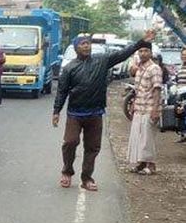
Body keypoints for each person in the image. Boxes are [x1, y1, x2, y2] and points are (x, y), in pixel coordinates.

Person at [53, 32, 153, 191]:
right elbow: (62, 91)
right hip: (75, 114)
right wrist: (56, 111)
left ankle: (86, 178)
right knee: (70, 142)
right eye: (82, 44)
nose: (86, 46)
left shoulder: (101, 60)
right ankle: (67, 171)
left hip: (95, 113)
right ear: (76, 47)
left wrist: (140, 42)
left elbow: (122, 54)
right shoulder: (69, 68)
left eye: (88, 43)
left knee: (92, 148)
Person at [127, 43, 163, 175]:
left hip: (149, 108)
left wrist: (155, 110)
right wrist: (133, 105)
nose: (143, 53)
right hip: (139, 107)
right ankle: (141, 164)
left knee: (148, 139)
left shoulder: (155, 68)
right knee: (138, 137)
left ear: (150, 53)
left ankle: (151, 165)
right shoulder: (140, 68)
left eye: (145, 51)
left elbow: (157, 89)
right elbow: (137, 89)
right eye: (140, 51)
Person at [175, 48, 186, 142]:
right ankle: (182, 135)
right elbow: (177, 80)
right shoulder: (180, 67)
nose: (184, 56)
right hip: (180, 94)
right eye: (183, 55)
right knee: (180, 114)